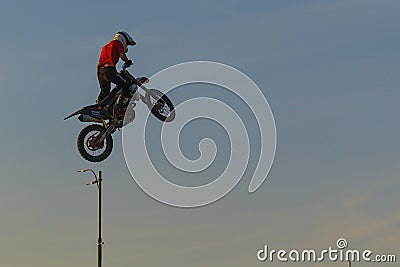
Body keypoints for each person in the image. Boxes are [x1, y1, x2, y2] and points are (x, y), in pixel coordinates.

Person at [96, 31, 136, 104]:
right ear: (123, 39)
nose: (126, 46)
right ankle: (122, 103)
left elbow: (99, 62)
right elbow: (122, 55)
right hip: (109, 70)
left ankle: (99, 106)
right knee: (126, 84)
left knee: (105, 92)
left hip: (100, 71)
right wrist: (127, 61)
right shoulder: (117, 43)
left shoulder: (105, 47)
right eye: (127, 44)